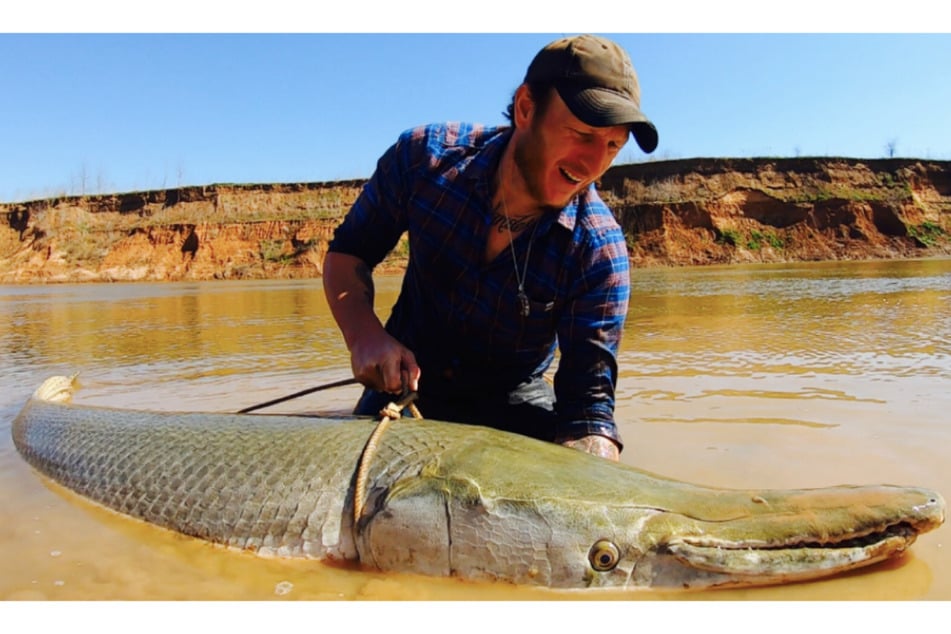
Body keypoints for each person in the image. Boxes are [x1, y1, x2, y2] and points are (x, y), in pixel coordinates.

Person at [322, 34, 658, 461]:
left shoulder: (599, 252)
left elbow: (587, 409)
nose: (593, 164)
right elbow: (348, 253)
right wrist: (364, 336)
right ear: (525, 108)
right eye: (582, 133)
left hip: (513, 398)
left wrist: (594, 477)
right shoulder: (423, 161)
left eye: (612, 146)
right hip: (404, 385)